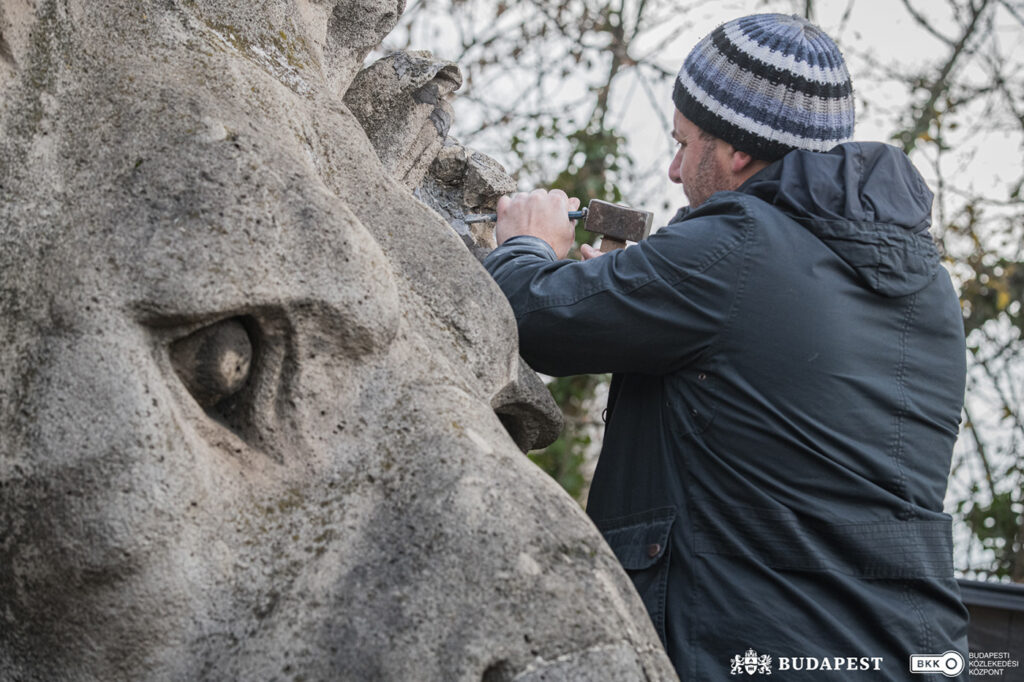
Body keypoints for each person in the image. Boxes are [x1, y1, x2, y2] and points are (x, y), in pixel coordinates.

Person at [483, 13, 969, 681]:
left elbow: (530, 314)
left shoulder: (737, 245)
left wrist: (528, 245)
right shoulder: (929, 288)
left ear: (738, 151)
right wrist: (628, 295)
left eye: (685, 143)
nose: (676, 168)